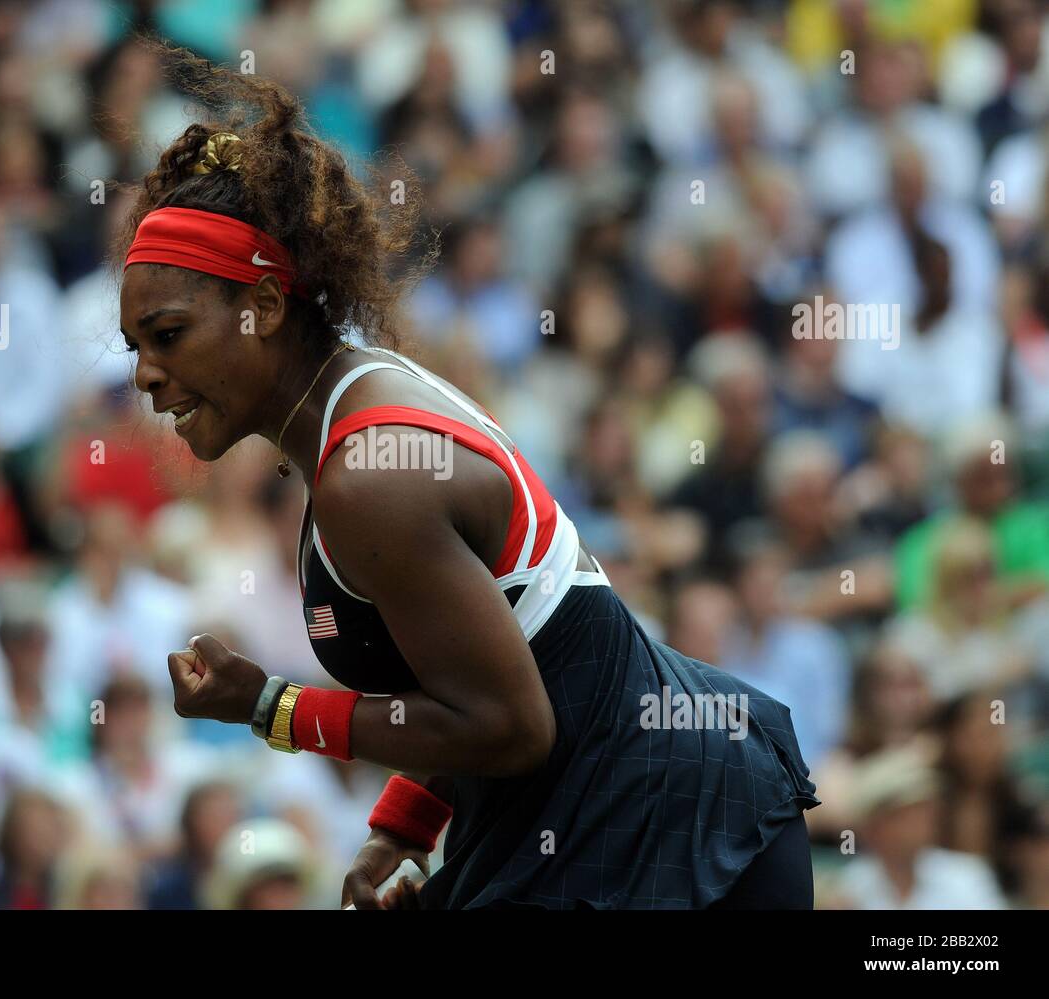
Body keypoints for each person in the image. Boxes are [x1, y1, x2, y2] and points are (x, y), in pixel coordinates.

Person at [118, 47, 819, 909]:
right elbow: (478, 661)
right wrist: (403, 825)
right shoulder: (358, 402)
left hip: (672, 837)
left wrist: (271, 704)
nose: (146, 374)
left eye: (168, 334)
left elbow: (509, 724)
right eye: (136, 347)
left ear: (260, 307)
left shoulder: (369, 475)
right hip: (627, 813)